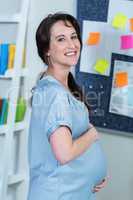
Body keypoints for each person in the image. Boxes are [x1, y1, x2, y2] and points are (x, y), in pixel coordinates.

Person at [27, 12, 107, 200]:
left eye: (73, 37)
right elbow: (64, 153)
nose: (72, 45)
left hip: (75, 191)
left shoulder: (64, 87)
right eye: (61, 39)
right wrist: (92, 134)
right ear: (47, 49)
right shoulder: (54, 93)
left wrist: (91, 175)